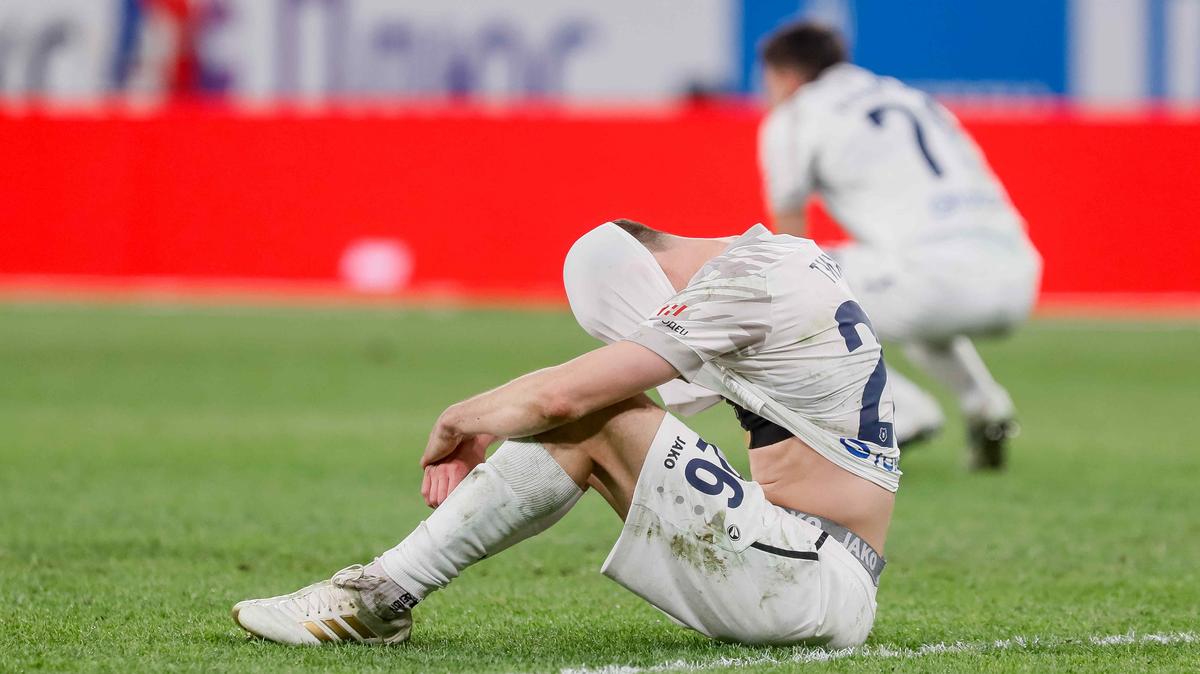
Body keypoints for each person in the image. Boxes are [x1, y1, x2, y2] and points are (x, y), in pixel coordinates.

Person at [232, 220, 897, 648]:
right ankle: (382, 594)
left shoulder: (737, 285)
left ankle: (380, 596)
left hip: (808, 575)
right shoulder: (781, 256)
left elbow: (562, 397)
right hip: (811, 563)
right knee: (596, 411)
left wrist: (461, 419)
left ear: (640, 283)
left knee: (593, 413)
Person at [757, 22, 1042, 468]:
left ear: (786, 76)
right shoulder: (909, 97)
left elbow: (791, 240)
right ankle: (986, 406)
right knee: (894, 286)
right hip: (1018, 270)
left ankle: (902, 412)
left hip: (934, 280)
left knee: (787, 289)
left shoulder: (796, 116)